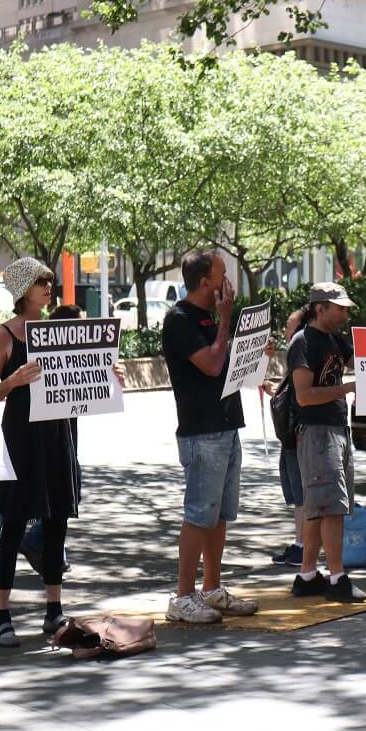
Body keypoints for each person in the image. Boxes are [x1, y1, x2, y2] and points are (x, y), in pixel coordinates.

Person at [161, 250, 259, 623]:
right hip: (201, 430)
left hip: (227, 424)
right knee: (199, 515)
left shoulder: (210, 317)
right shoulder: (180, 319)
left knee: (219, 515)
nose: (227, 280)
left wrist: (252, 353)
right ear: (205, 282)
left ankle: (212, 588)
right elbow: (213, 363)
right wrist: (225, 321)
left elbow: (229, 365)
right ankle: (182, 596)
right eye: (222, 273)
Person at [0, 260, 82, 646]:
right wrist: (14, 379)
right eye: (40, 283)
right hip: (21, 437)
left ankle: (53, 609)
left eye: (49, 282)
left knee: (57, 517)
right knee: (13, 523)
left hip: (57, 432)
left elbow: (79, 373)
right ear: (23, 290)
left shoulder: (54, 330)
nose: (48, 288)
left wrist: (107, 375)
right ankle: (2, 614)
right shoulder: (4, 334)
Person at [287, 283, 366, 602]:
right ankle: (337, 579)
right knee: (331, 506)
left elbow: (361, 359)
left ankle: (307, 575)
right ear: (320, 308)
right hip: (317, 432)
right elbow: (304, 396)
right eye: (340, 308)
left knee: (319, 507)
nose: (345, 314)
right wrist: (346, 390)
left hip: (336, 430)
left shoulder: (334, 339)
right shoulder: (302, 342)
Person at [20, 303, 84, 577]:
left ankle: (48, 547)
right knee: (64, 492)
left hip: (68, 439)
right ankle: (38, 541)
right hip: (51, 440)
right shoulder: (45, 358)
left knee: (70, 488)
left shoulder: (75, 357)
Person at [270, 308, 307, 568]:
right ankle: (300, 543)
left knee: (302, 493)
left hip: (298, 435)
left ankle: (304, 545)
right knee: (296, 494)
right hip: (290, 436)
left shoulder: (304, 352)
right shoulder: (296, 355)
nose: (287, 332)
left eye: (290, 327)